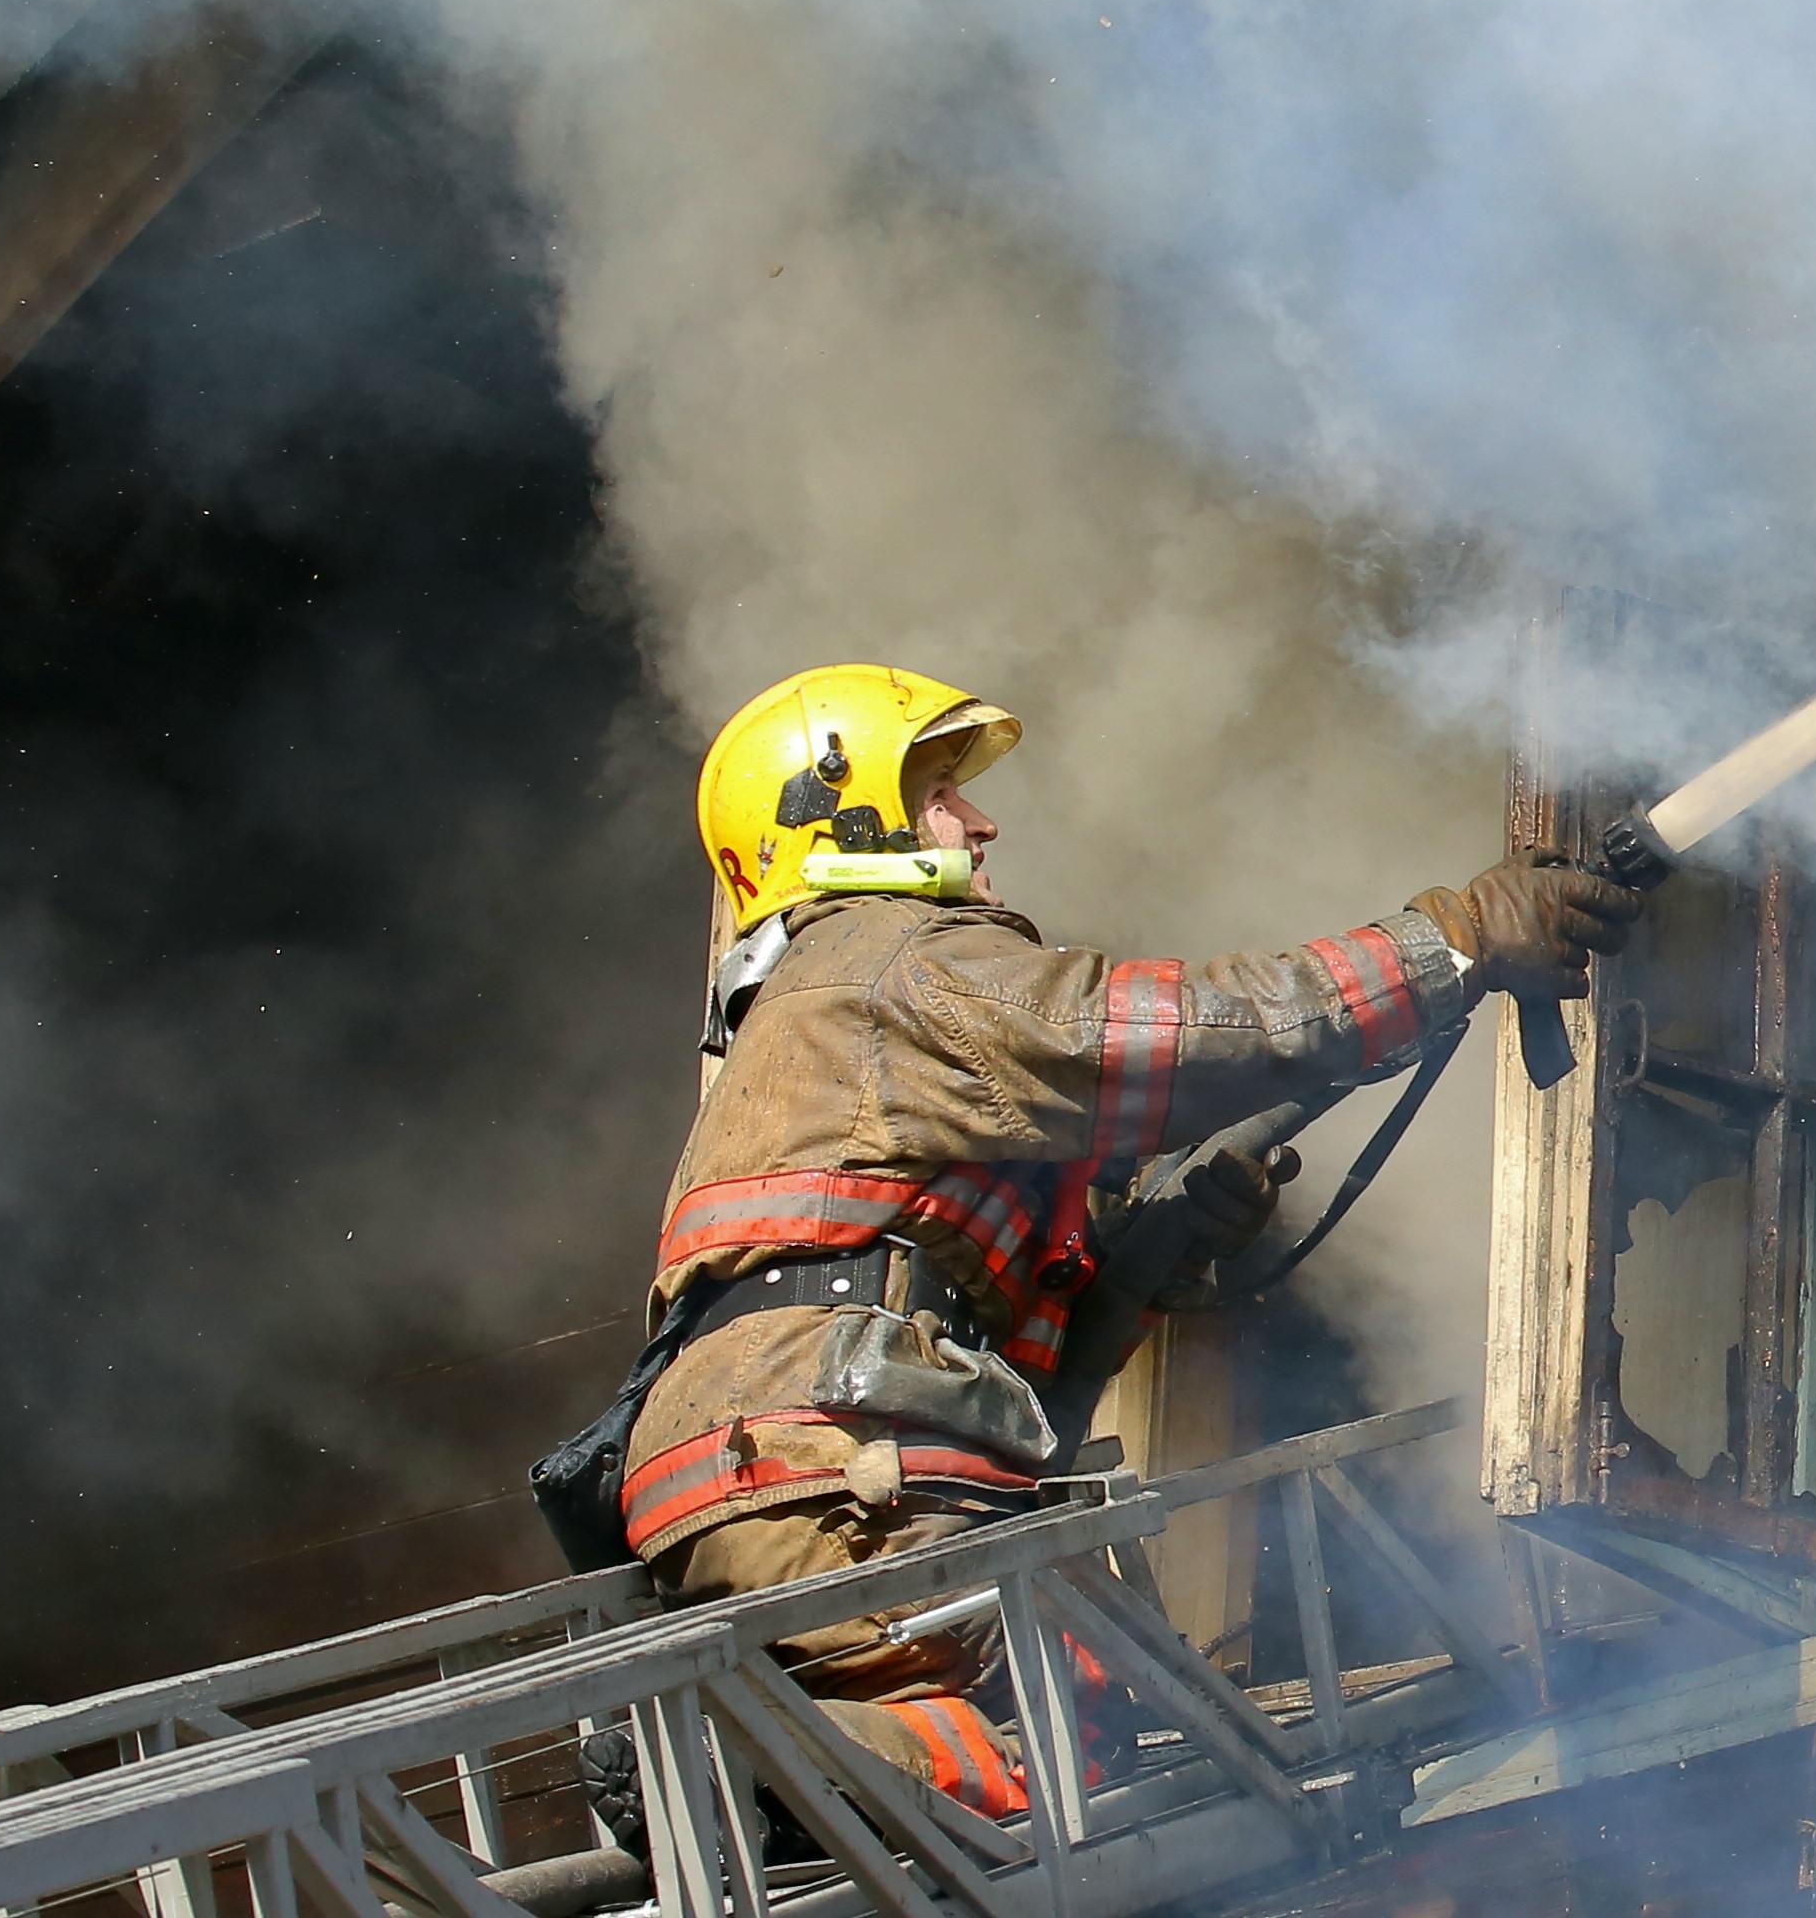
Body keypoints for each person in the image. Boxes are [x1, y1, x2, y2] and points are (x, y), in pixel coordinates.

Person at [583, 661, 1631, 1815]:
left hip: (756, 1481)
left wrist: (1148, 1251)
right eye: (938, 788)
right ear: (838, 813)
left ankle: (774, 1764)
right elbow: (1194, 1031)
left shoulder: (806, 1031)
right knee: (1068, 1741)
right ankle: (738, 1763)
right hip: (836, 1470)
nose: (980, 819)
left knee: (955, 1764)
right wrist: (1456, 942)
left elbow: (1015, 1373)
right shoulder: (888, 960)